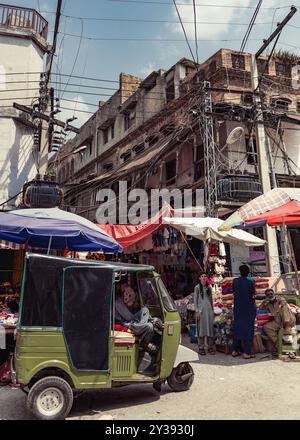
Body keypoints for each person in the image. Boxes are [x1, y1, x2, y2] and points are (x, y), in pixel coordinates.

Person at [115, 282, 157, 354]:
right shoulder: (118, 303)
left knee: (145, 310)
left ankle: (140, 327)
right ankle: (141, 333)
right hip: (126, 323)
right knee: (149, 326)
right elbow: (128, 317)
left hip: (133, 322)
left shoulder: (124, 299)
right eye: (124, 288)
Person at [260, 289, 296, 358]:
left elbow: (283, 303)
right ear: (266, 296)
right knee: (266, 327)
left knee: (284, 307)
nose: (270, 295)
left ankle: (287, 325)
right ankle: (279, 346)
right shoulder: (267, 303)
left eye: (271, 293)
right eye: (268, 295)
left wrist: (280, 306)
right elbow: (260, 308)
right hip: (278, 321)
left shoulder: (280, 298)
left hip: (288, 319)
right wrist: (264, 301)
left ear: (273, 293)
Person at [232, 265, 256, 360]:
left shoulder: (235, 281)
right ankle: (247, 352)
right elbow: (253, 295)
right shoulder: (251, 281)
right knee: (249, 329)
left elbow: (234, 292)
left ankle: (235, 350)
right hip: (248, 308)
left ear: (240, 272)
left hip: (238, 308)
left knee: (237, 328)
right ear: (248, 272)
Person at [194, 272, 215, 355]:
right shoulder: (197, 287)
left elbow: (211, 300)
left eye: (205, 276)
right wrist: (196, 311)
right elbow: (195, 300)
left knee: (210, 328)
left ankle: (210, 347)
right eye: (202, 276)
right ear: (199, 278)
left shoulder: (209, 287)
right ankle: (201, 348)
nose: (204, 277)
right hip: (201, 311)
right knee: (201, 329)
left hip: (209, 310)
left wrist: (212, 311)